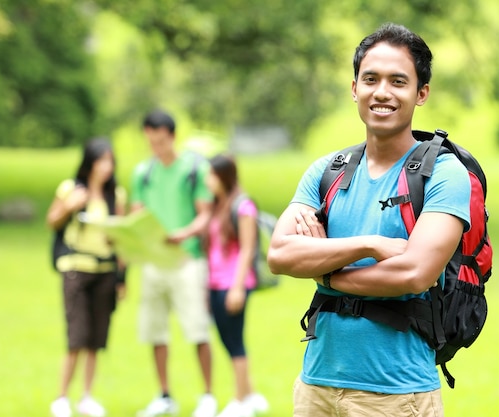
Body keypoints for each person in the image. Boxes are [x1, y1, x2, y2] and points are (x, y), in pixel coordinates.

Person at [267, 23, 471, 417]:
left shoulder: (443, 174)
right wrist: (368, 246)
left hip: (395, 392)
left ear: (421, 93)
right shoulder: (328, 170)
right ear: (354, 88)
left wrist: (325, 271)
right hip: (316, 386)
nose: (382, 92)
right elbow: (279, 254)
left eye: (398, 81)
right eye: (371, 79)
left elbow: (413, 273)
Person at [131, 109, 217, 417]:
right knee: (155, 331)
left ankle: (207, 395)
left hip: (187, 260)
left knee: (197, 329)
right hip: (154, 262)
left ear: (173, 137)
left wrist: (183, 234)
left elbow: (205, 214)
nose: (157, 147)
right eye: (151, 142)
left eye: (161, 141)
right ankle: (164, 394)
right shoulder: (143, 173)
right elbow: (137, 213)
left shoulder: (193, 169)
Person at [47, 138, 127, 417]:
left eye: (110, 161)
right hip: (76, 268)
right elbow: (52, 220)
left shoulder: (115, 194)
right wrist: (70, 206)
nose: (106, 167)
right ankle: (61, 397)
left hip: (105, 271)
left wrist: (122, 277)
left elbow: (122, 239)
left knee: (96, 338)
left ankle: (86, 396)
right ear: (90, 162)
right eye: (101, 161)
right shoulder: (71, 189)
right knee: (77, 336)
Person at [205, 154, 269, 417]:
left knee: (235, 341)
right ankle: (250, 393)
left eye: (211, 175)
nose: (207, 181)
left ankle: (240, 401)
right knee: (227, 340)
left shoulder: (243, 207)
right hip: (215, 282)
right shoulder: (218, 204)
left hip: (233, 283)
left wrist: (237, 287)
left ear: (223, 176)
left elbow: (247, 249)